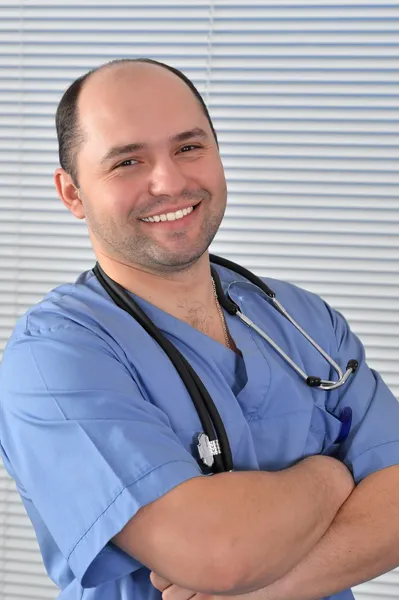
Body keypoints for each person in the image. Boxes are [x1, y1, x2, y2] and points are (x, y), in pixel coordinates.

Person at [0, 58, 399, 600]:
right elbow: (217, 554)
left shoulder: (302, 320)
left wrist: (261, 591)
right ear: (72, 193)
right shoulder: (53, 356)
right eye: (127, 161)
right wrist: (331, 477)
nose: (169, 181)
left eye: (188, 147)